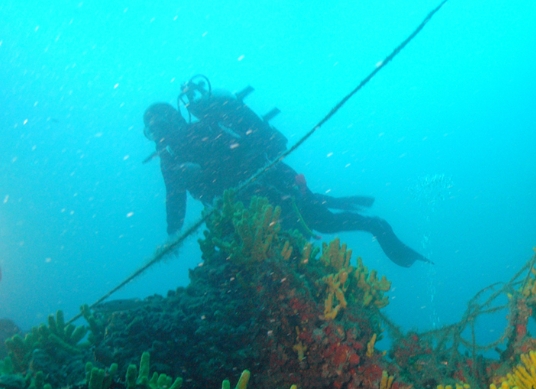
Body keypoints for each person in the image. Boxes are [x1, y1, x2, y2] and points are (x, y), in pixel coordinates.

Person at [142, 77, 430, 267]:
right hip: (248, 207)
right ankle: (372, 226)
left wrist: (175, 227)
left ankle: (377, 227)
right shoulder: (170, 159)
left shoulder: (202, 130)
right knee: (308, 231)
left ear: (173, 121)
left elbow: (237, 156)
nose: (160, 136)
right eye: (155, 131)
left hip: (272, 184)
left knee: (321, 224)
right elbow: (175, 198)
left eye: (160, 128)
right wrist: (172, 235)